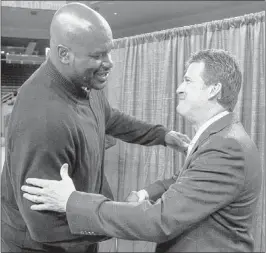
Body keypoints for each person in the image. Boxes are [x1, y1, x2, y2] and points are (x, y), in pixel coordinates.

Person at [22, 49, 262, 252]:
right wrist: (145, 194)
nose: (179, 88)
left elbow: (158, 220)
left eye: (188, 81)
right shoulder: (220, 136)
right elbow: (184, 181)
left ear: (213, 90)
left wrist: (71, 202)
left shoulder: (226, 147)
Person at [1, 3, 190, 253]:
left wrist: (163, 136)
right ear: (64, 54)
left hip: (81, 229)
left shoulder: (83, 82)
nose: (109, 63)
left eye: (108, 53)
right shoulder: (43, 120)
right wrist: (116, 222)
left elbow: (109, 118)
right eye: (97, 56)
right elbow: (43, 226)